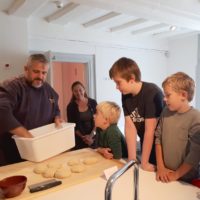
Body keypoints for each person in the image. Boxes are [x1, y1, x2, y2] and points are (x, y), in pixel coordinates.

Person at [0, 53, 62, 166]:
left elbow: (56, 108)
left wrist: (57, 117)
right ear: (26, 69)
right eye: (36, 71)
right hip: (13, 153)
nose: (41, 76)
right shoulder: (13, 86)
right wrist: (28, 136)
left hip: (40, 150)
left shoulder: (48, 89)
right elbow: (2, 112)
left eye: (44, 73)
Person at [109, 57, 164, 171]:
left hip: (161, 147)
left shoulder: (152, 92)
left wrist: (144, 162)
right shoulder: (126, 94)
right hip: (146, 143)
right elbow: (130, 127)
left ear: (132, 79)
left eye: (118, 82)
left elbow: (150, 130)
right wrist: (131, 159)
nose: (117, 87)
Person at [155, 72, 200, 183]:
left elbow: (195, 154)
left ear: (183, 95)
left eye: (168, 95)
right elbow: (158, 139)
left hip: (187, 179)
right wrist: (160, 167)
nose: (164, 99)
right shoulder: (165, 111)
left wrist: (176, 175)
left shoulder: (196, 117)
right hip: (165, 173)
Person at [66, 81, 97, 150]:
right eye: (75, 91)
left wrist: (91, 136)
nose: (78, 93)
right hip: (79, 140)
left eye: (80, 90)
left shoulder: (93, 102)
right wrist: (84, 137)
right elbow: (72, 126)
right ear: (73, 93)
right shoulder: (70, 107)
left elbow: (97, 122)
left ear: (84, 90)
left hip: (94, 138)